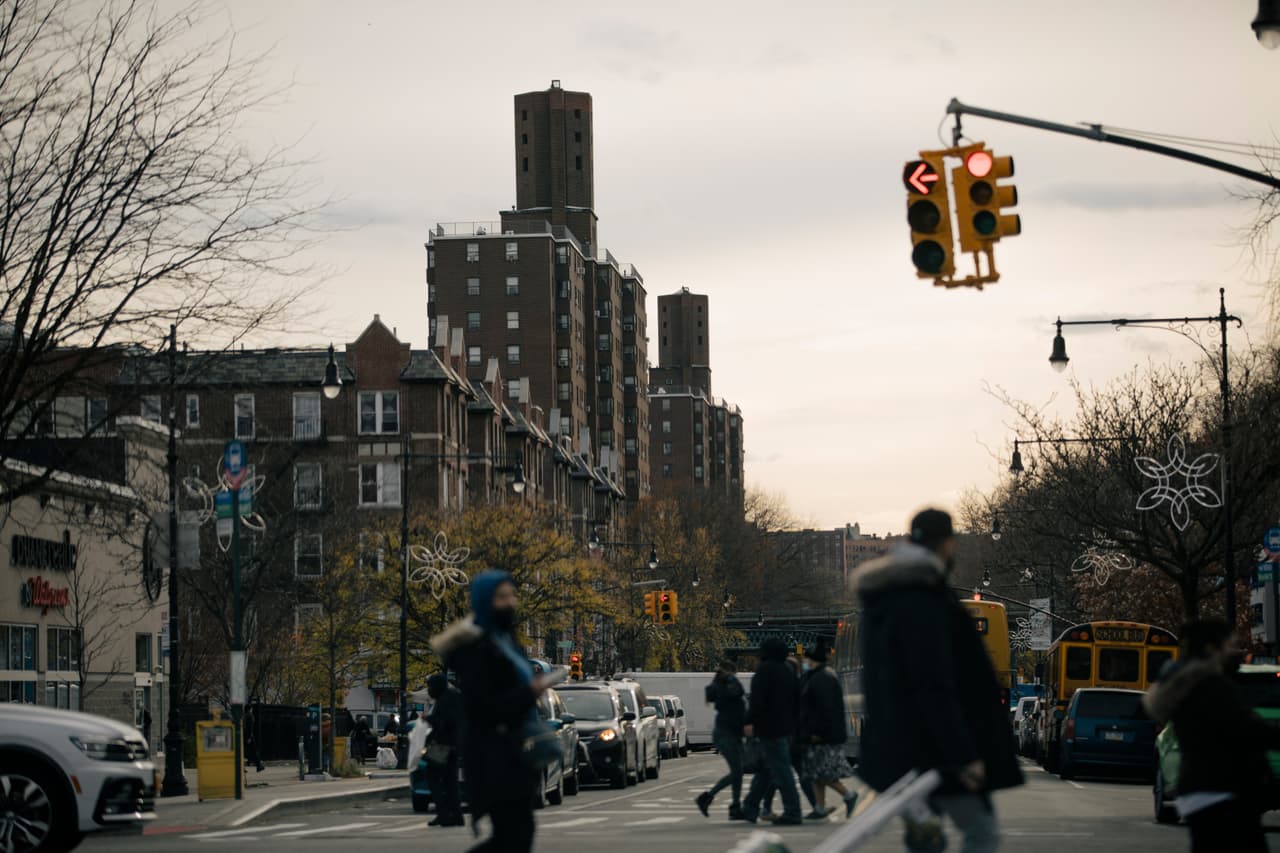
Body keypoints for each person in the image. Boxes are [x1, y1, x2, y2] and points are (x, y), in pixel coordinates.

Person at [853, 508, 1022, 853]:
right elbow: (933, 684)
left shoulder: (884, 601)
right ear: (946, 544)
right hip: (937, 753)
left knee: (927, 842)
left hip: (900, 751)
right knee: (981, 833)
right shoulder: (926, 600)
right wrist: (964, 755)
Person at [433, 569, 553, 853]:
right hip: (493, 755)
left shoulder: (506, 640)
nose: (510, 602)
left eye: (512, 595)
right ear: (485, 601)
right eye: (502, 597)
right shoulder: (476, 649)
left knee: (518, 834)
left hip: (515, 753)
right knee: (513, 837)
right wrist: (529, 692)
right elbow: (485, 707)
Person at [1143, 618, 1280, 853]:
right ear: (1211, 648)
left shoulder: (1188, 686)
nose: (1233, 651)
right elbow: (1248, 730)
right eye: (1228, 645)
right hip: (1222, 791)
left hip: (1201, 791)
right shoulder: (1212, 688)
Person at [738, 637, 803, 826]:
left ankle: (793, 811)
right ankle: (750, 807)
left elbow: (757, 701)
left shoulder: (764, 672)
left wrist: (748, 721)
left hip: (769, 728)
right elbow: (797, 701)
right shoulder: (789, 671)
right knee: (768, 770)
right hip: (787, 728)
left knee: (781, 771)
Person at [797, 641, 858, 820]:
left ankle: (848, 795)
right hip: (819, 734)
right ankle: (820, 806)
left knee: (822, 771)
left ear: (813, 660)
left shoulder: (821, 678)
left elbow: (824, 709)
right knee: (816, 772)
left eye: (807, 659)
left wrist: (817, 732)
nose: (804, 662)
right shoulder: (821, 676)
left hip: (821, 735)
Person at [696, 660, 747, 820]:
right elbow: (738, 692)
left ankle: (735, 805)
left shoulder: (720, 686)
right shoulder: (727, 686)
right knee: (738, 771)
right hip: (727, 735)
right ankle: (709, 797)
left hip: (730, 733)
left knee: (738, 772)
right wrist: (731, 679)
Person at [426, 672, 464, 827]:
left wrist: (428, 719)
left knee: (432, 777)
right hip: (453, 746)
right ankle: (455, 815)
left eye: (430, 686)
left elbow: (444, 722)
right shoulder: (452, 696)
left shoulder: (446, 699)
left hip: (442, 746)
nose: (429, 690)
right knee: (450, 782)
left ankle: (443, 813)